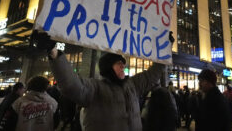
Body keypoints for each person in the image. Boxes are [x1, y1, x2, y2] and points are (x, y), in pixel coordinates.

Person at [33, 31, 166, 131]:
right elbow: (71, 84)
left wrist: (165, 48)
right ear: (108, 68)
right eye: (119, 63)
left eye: (123, 64)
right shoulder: (95, 88)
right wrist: (54, 53)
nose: (122, 66)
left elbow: (152, 74)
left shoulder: (132, 85)